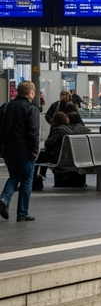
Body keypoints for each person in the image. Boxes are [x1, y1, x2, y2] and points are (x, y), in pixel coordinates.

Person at [0, 81, 40, 221]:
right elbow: (33, 132)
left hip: (8, 149)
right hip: (25, 151)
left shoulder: (5, 107)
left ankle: (4, 199)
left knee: (14, 176)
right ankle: (22, 213)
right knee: (27, 181)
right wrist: (35, 150)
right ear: (31, 93)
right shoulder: (31, 108)